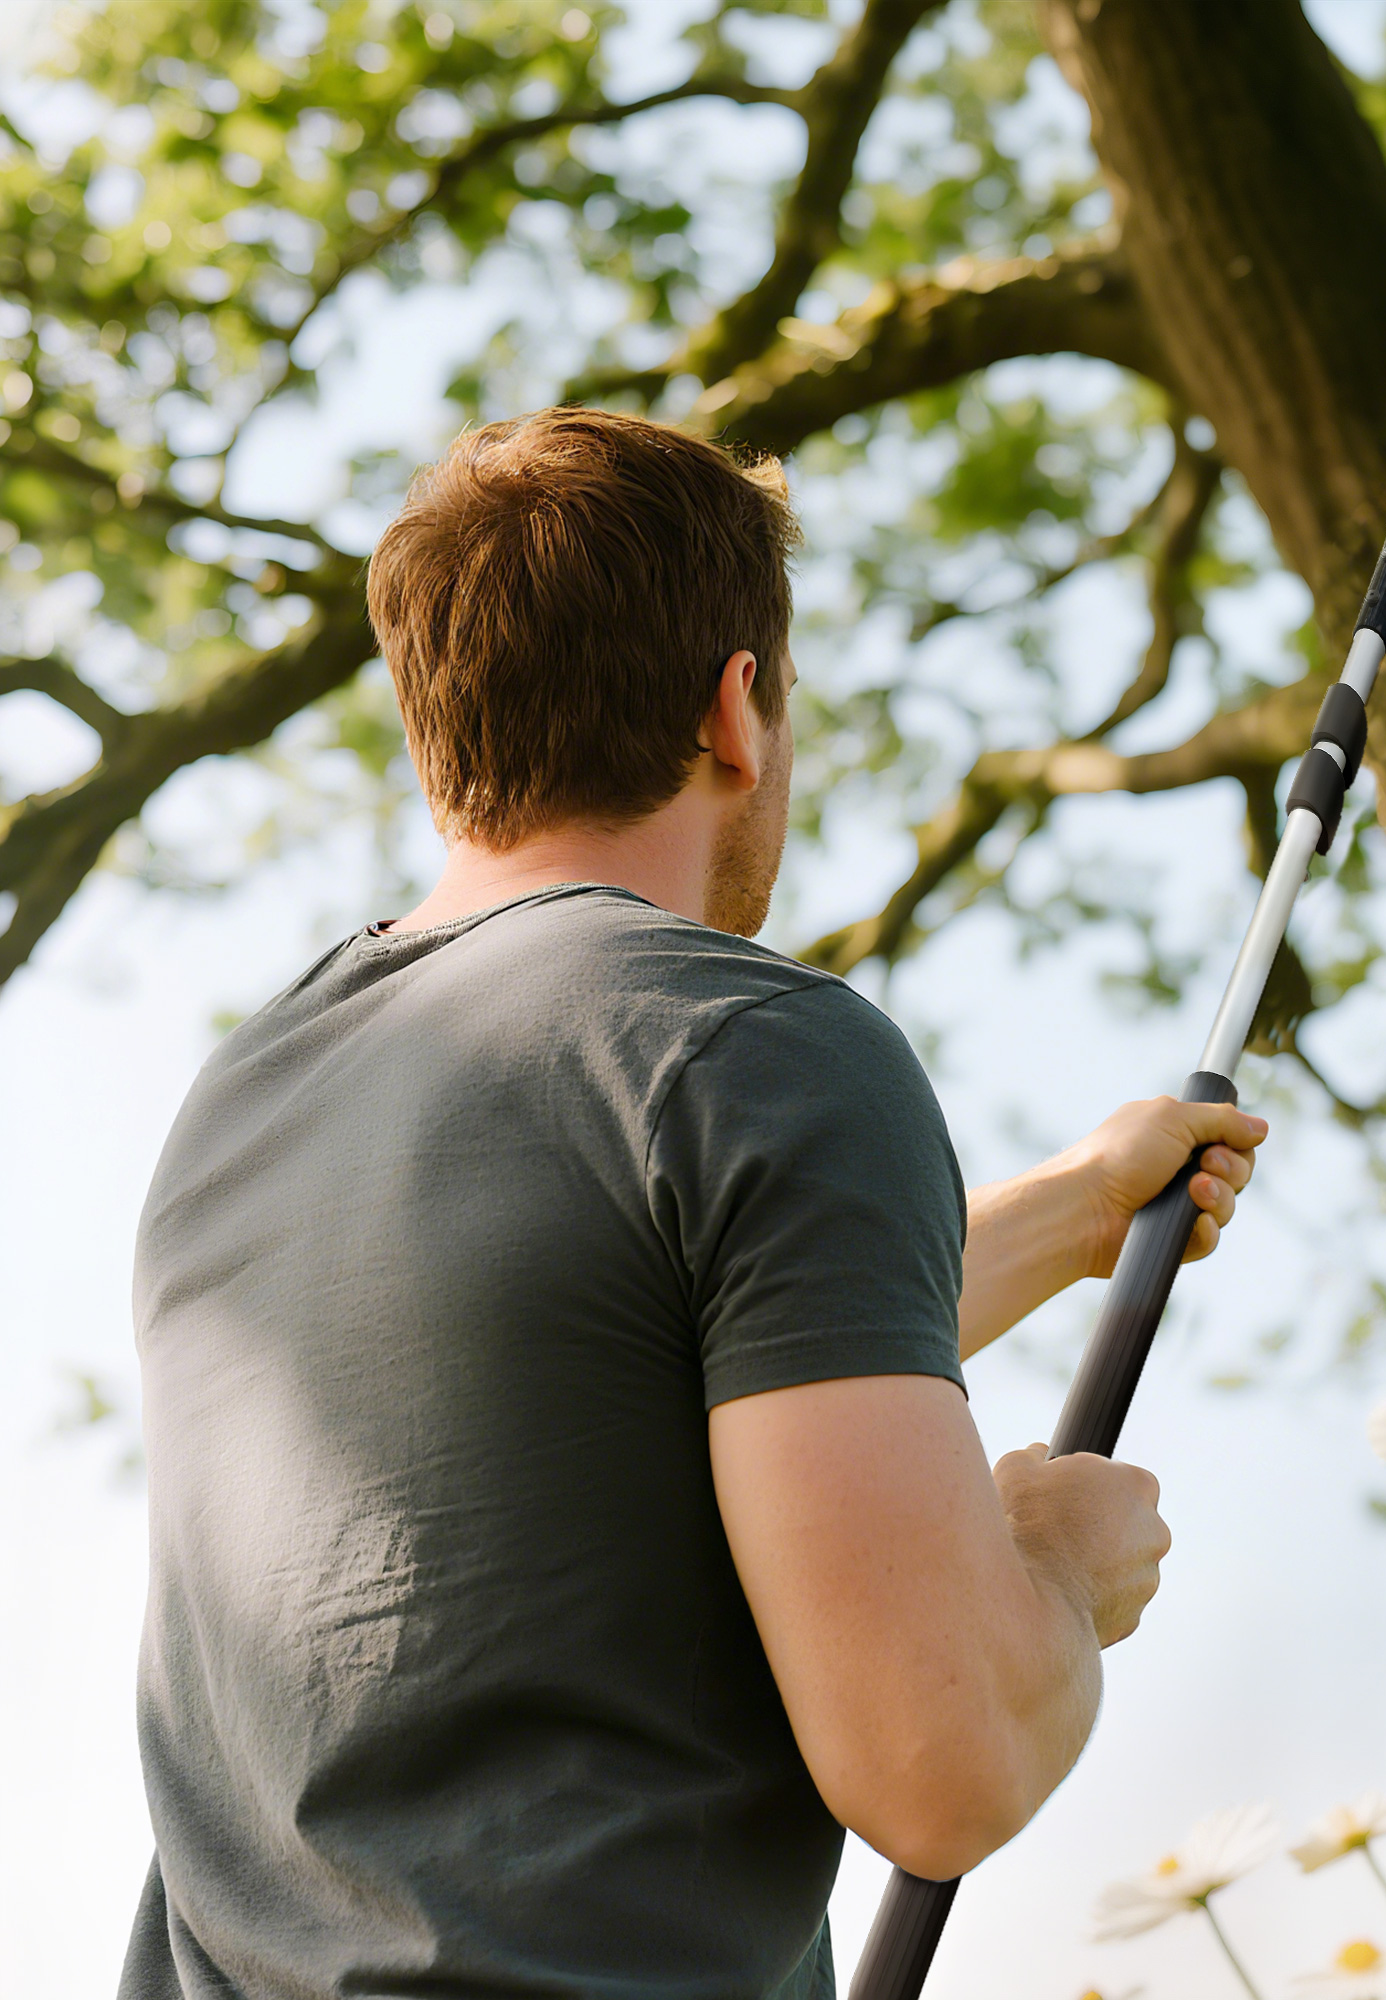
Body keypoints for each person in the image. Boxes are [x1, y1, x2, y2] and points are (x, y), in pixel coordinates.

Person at [121, 408, 1266, 2000]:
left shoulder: (243, 1100)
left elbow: (629, 1374)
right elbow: (938, 1767)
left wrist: (1078, 1211)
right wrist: (1055, 1568)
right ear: (739, 709)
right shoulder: (759, 1048)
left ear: (442, 735)